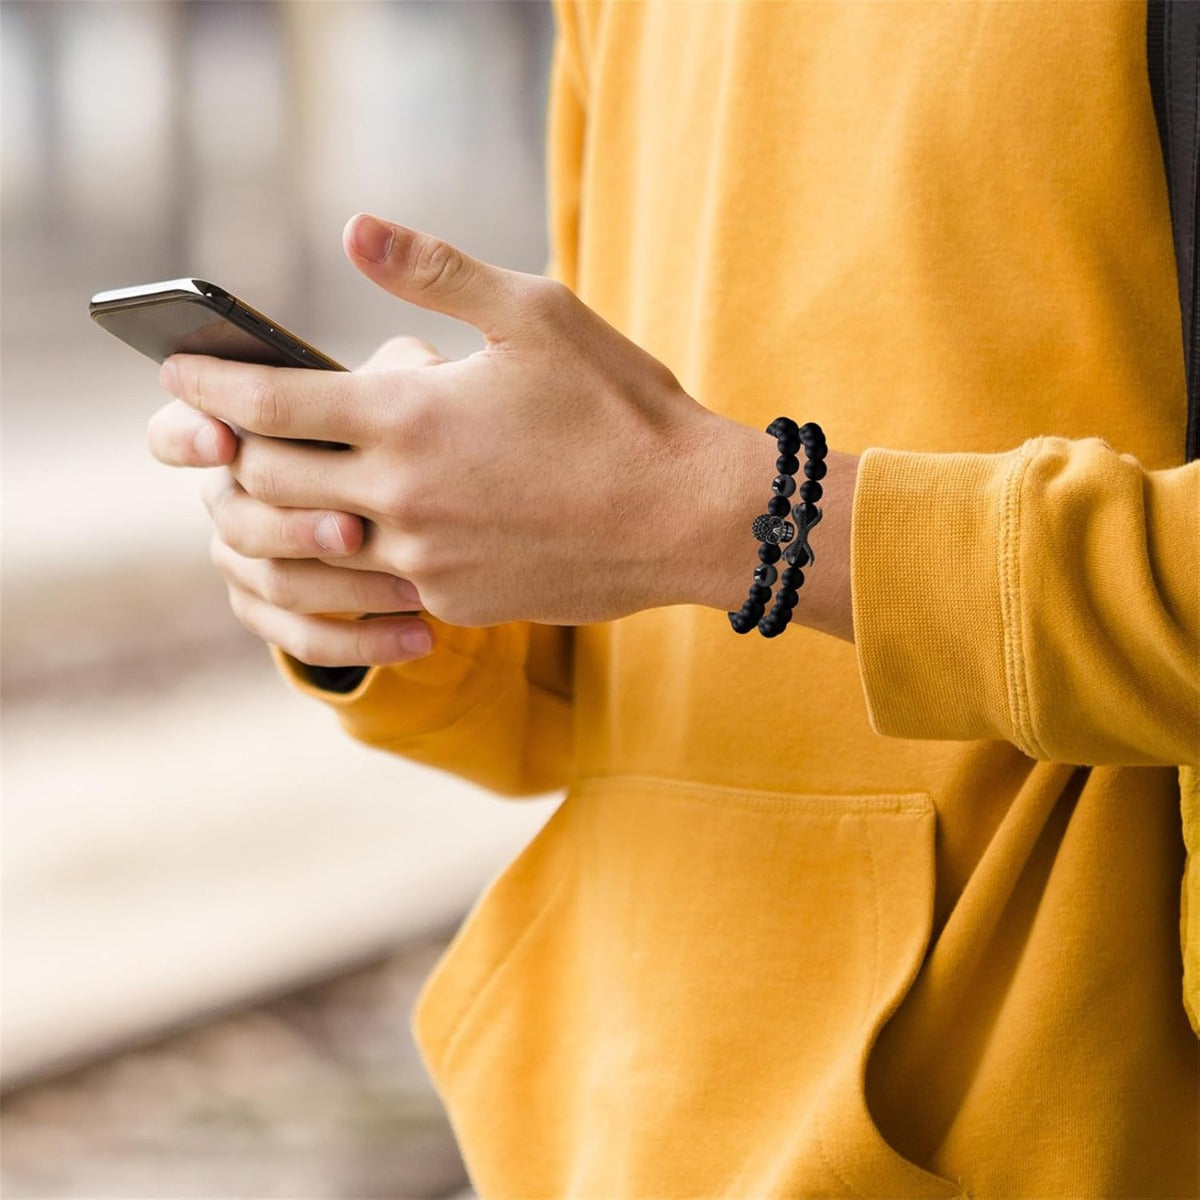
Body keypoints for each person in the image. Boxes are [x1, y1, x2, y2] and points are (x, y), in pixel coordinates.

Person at [147, 1, 1199, 1194]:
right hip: (629, 1124)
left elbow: (689, 513)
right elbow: (609, 663)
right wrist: (389, 574)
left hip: (1059, 1118)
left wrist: (740, 519)